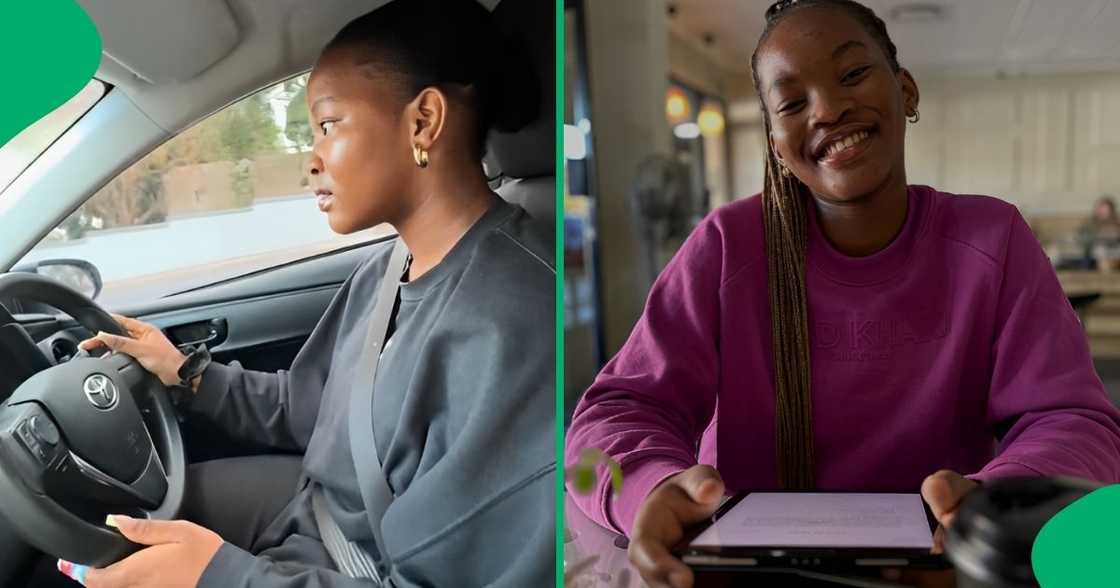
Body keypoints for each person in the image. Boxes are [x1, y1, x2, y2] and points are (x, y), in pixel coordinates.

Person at [564, 1, 1120, 587]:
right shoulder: (726, 247)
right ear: (777, 143)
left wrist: (993, 502)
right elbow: (591, 440)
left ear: (905, 90)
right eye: (793, 102)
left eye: (853, 74)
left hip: (938, 572)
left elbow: (1078, 422)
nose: (828, 109)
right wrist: (645, 489)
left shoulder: (994, 240)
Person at [51, 1, 555, 586]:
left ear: (423, 122)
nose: (310, 162)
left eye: (329, 124)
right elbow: (312, 408)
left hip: (361, 564)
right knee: (105, 521)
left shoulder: (514, 326)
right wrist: (186, 372)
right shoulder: (389, 267)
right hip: (316, 513)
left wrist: (220, 577)